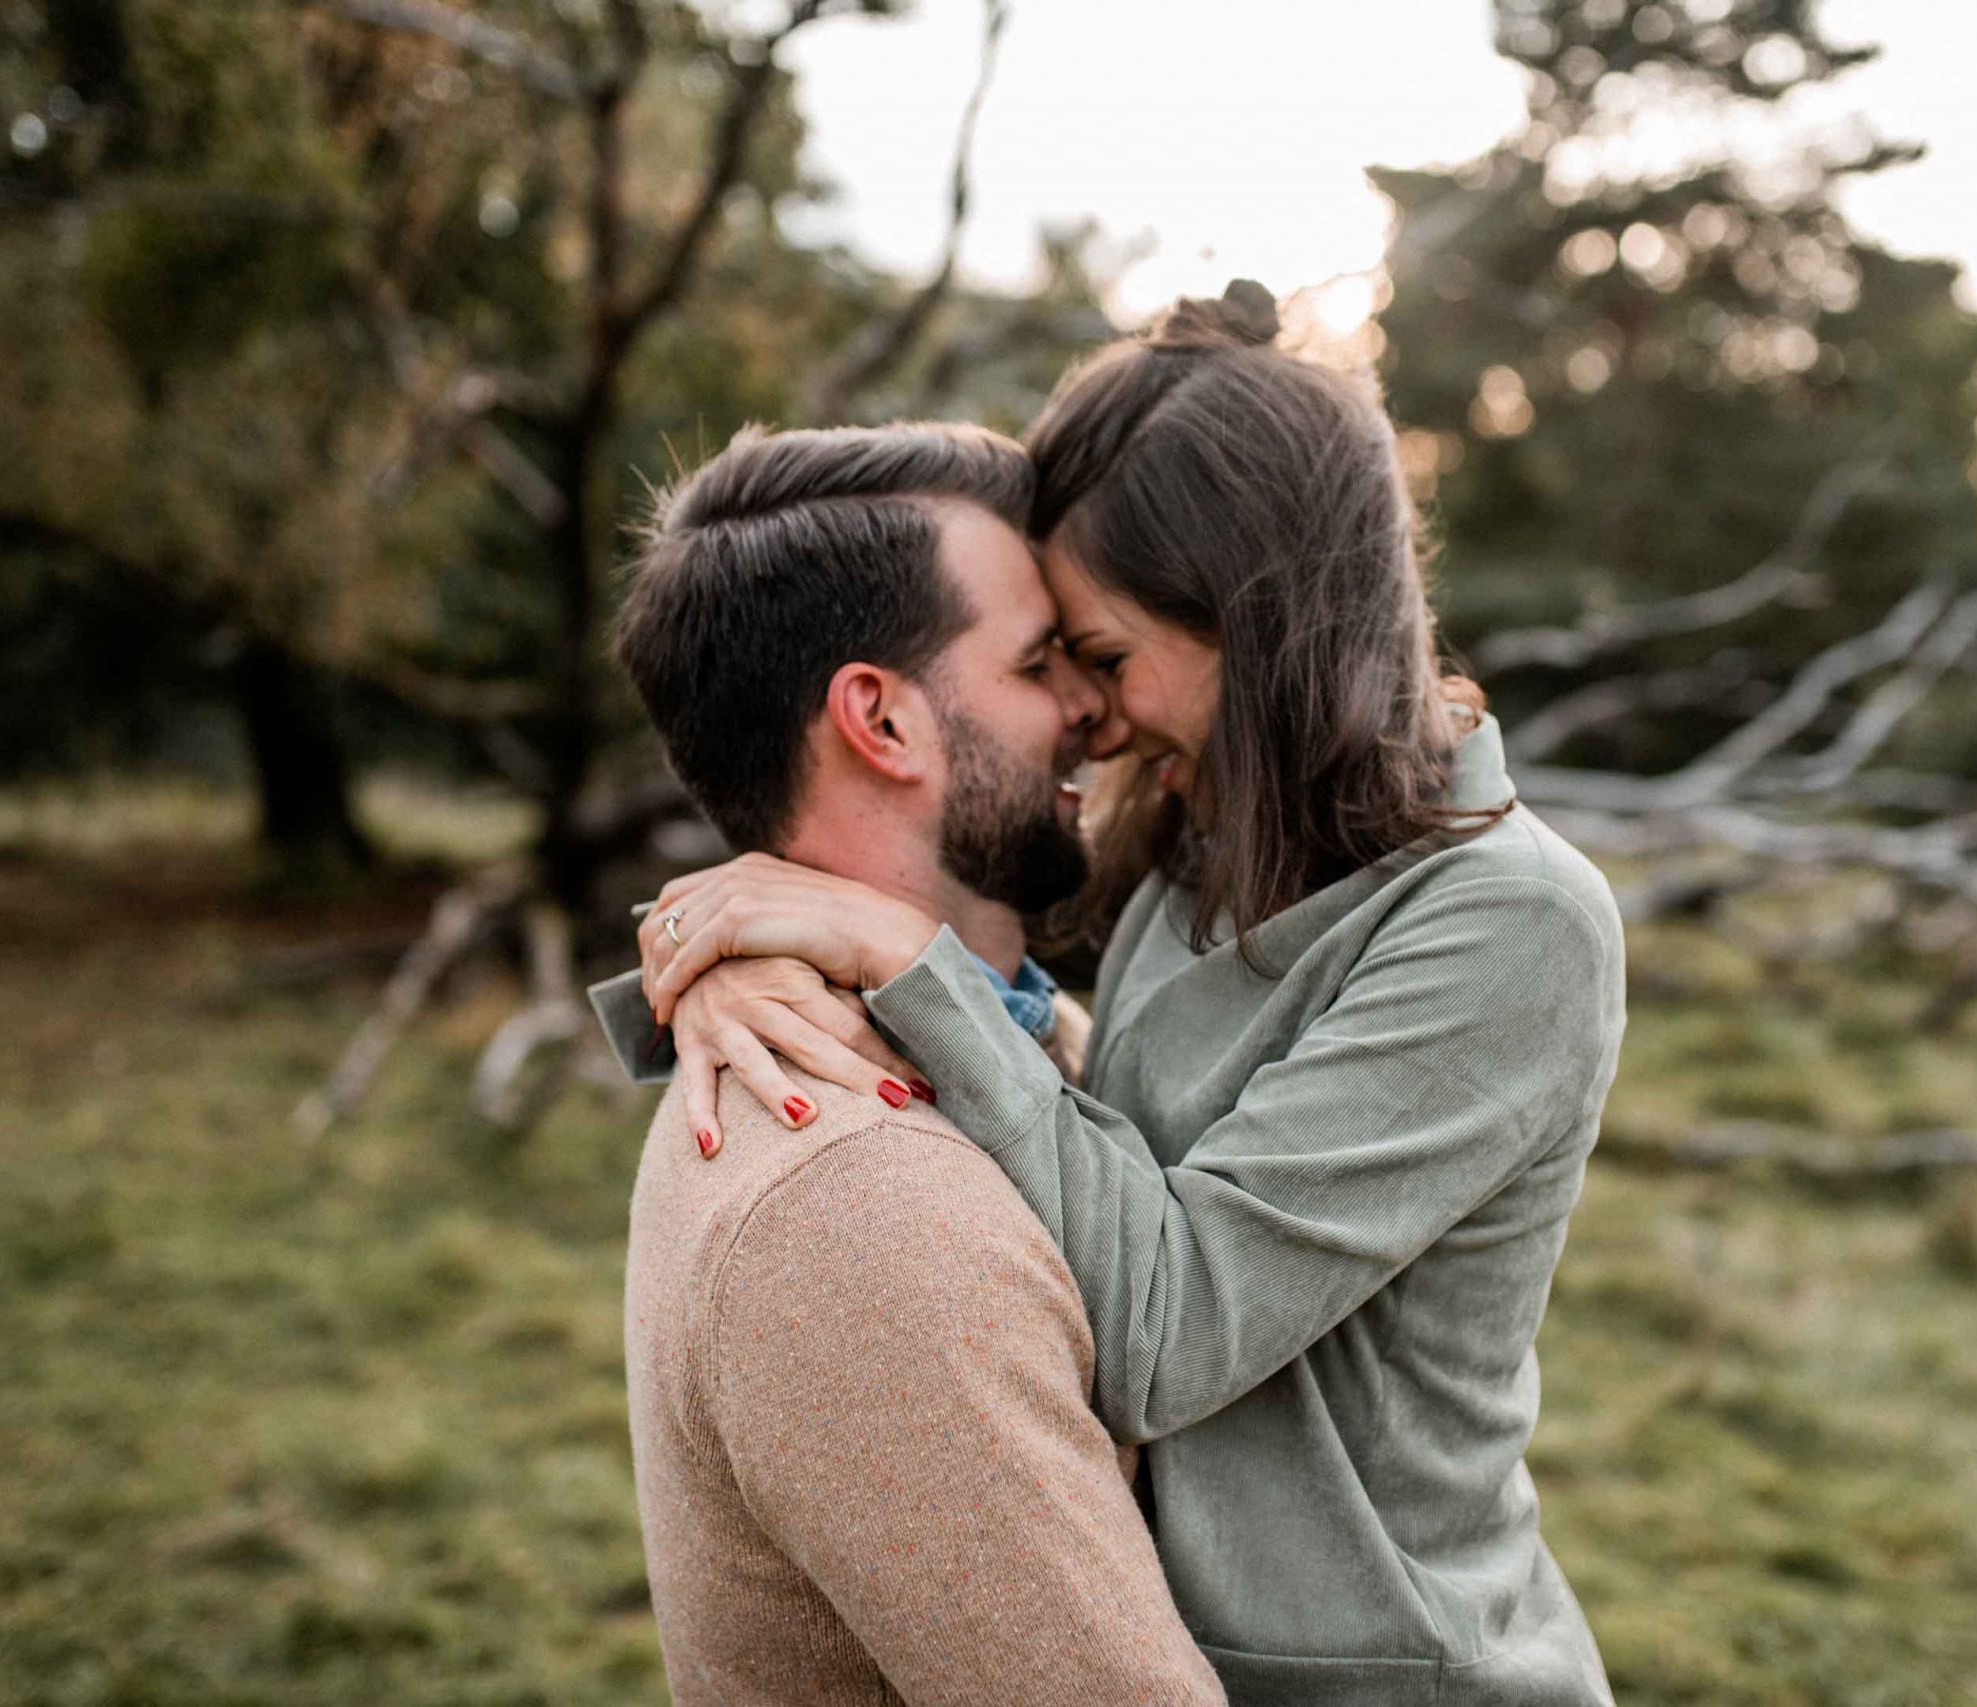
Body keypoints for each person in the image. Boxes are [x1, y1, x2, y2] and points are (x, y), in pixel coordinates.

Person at [631, 282, 1628, 1705]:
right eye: (1054, 661)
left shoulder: (1509, 920)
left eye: (1095, 656)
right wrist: (729, 946)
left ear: (1260, 628)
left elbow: (1166, 1318)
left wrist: (884, 953)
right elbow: (955, 913)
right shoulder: (1201, 825)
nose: (1085, 714)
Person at [594, 419, 1224, 1705]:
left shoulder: (1002, 1039)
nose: (1092, 710)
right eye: (1040, 660)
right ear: (881, 719)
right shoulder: (859, 1202)